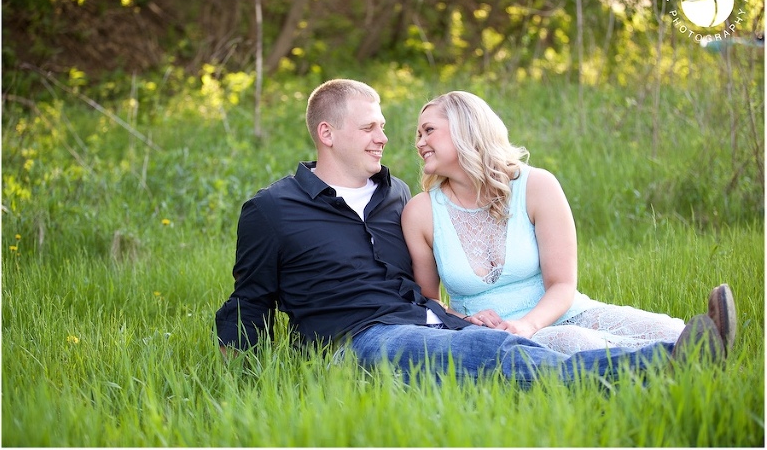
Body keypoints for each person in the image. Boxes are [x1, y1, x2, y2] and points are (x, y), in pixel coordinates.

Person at [215, 79, 732, 385]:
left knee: (527, 350)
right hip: (355, 339)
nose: (386, 138)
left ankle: (678, 352)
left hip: (428, 324)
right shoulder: (273, 209)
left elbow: (423, 294)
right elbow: (250, 301)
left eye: (385, 126)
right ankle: (670, 364)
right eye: (371, 127)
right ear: (327, 134)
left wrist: (457, 318)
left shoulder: (393, 198)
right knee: (497, 354)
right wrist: (240, 381)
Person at [401, 90, 737, 356]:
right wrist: (466, 320)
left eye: (428, 130)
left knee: (664, 328)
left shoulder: (536, 186)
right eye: (417, 134)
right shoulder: (421, 213)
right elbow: (428, 302)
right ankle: (687, 356)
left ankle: (697, 343)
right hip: (495, 336)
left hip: (560, 311)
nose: (419, 143)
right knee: (575, 342)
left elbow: (562, 284)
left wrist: (528, 324)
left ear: (465, 128)